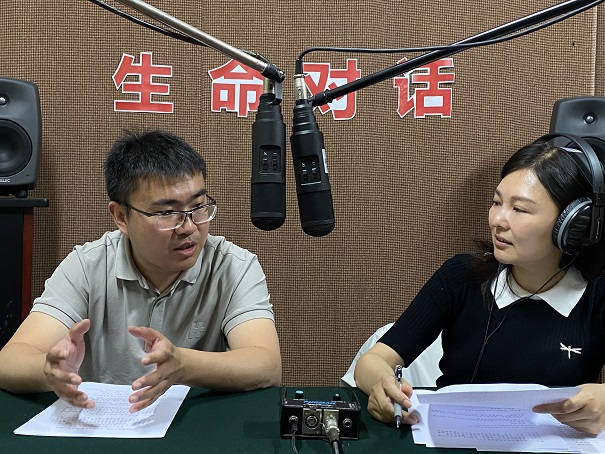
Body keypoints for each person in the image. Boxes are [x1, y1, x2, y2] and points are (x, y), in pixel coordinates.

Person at [0, 129, 282, 412]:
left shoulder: (233, 265)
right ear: (121, 217)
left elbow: (266, 365)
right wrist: (49, 370)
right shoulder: (88, 265)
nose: (189, 227)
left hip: (192, 422)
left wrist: (183, 365)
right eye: (167, 213)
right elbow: (9, 361)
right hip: (101, 421)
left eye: (198, 206)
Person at [354, 137, 605, 434]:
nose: (498, 220)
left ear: (573, 224)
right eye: (497, 202)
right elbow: (374, 360)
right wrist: (383, 384)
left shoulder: (597, 296)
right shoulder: (462, 277)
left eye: (520, 209)